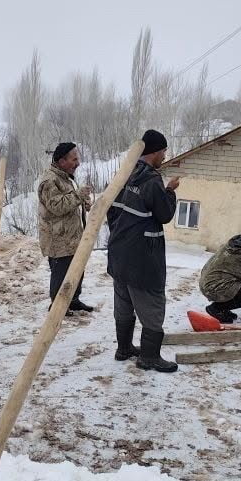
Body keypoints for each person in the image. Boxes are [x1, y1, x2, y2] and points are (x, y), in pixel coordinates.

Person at [107, 129, 179, 372]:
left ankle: (124, 347)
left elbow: (111, 210)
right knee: (152, 304)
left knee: (124, 301)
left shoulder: (123, 174)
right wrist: (170, 191)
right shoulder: (151, 182)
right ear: (155, 152)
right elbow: (165, 215)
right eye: (163, 152)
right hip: (144, 257)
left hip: (119, 253)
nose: (164, 156)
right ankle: (149, 357)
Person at [37, 142, 94, 314]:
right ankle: (57, 306)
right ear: (62, 161)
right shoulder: (50, 181)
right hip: (58, 240)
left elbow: (68, 201)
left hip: (71, 238)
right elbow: (56, 206)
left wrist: (83, 204)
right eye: (74, 159)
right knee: (61, 275)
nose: (78, 163)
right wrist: (78, 195)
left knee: (76, 271)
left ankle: (72, 300)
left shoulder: (64, 177)